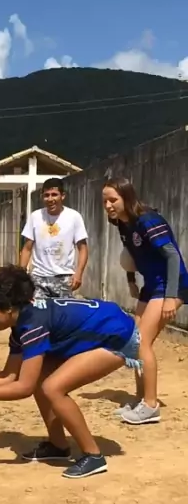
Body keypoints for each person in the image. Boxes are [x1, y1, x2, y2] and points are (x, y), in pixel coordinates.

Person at [0, 266, 141, 480]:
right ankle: (59, 446)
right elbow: (9, 375)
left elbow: (23, 388)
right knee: (41, 377)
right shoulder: (21, 324)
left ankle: (93, 456)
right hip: (108, 325)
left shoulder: (33, 325)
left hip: (119, 336)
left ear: (9, 309)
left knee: (53, 388)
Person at [103, 177, 188, 425]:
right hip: (150, 285)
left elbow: (172, 256)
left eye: (113, 200)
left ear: (127, 197)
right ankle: (141, 399)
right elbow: (130, 255)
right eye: (105, 201)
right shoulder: (122, 223)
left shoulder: (148, 220)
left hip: (169, 284)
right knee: (133, 341)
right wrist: (131, 281)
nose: (108, 205)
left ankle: (151, 406)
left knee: (142, 342)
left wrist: (171, 297)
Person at [19, 178, 88, 298]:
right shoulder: (35, 217)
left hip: (64, 278)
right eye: (46, 195)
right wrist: (20, 275)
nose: (50, 199)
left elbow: (83, 249)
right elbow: (27, 248)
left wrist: (79, 274)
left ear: (63, 196)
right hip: (39, 278)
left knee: (63, 310)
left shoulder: (74, 217)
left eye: (54, 194)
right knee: (38, 309)